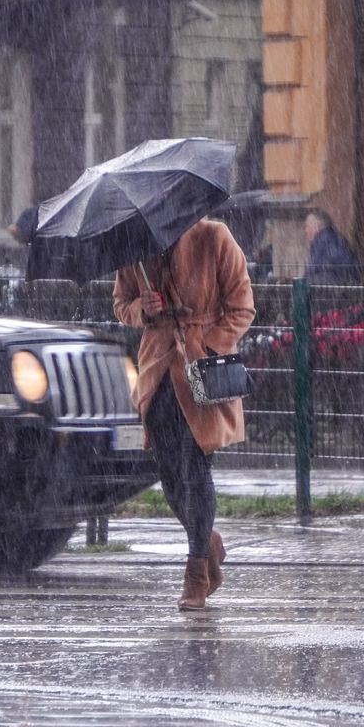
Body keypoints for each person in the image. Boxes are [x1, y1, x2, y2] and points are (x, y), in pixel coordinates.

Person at [113, 218, 255, 611]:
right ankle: (207, 540)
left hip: (201, 374)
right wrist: (142, 308)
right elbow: (121, 305)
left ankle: (196, 572)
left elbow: (242, 306)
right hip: (157, 371)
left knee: (195, 468)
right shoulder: (135, 248)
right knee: (170, 475)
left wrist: (208, 344)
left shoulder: (214, 236)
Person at [304, 208, 361, 283]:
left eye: (307, 226)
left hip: (335, 289)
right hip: (343, 286)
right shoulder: (331, 239)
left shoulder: (324, 241)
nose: (306, 230)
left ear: (316, 227)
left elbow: (314, 270)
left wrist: (304, 282)